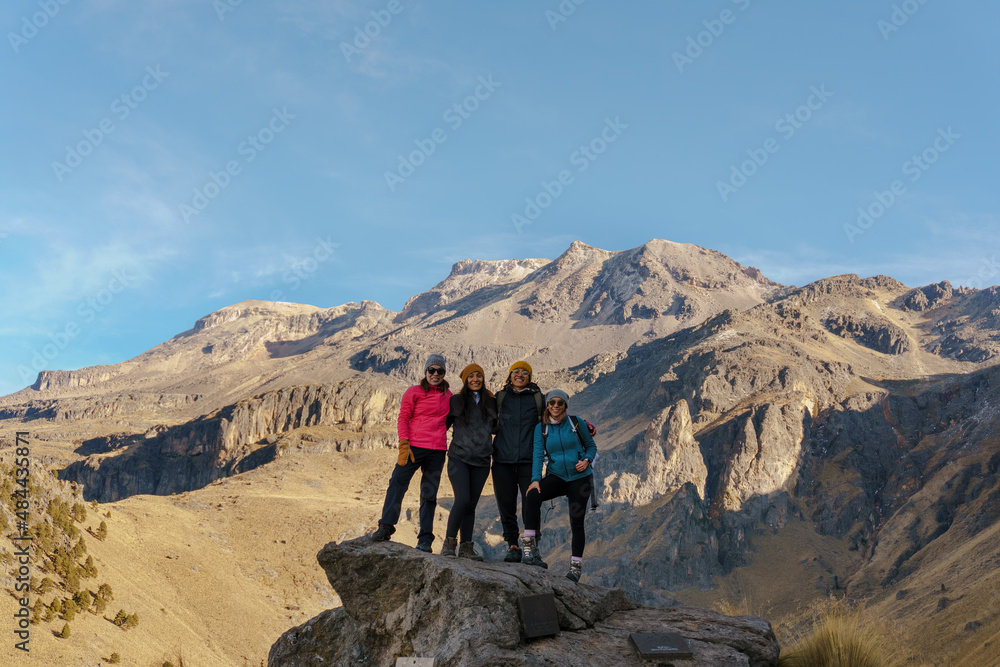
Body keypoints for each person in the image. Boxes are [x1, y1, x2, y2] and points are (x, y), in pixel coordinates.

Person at [491, 361, 596, 563]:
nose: (519, 375)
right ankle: (513, 545)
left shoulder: (538, 398)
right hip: (503, 458)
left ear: (530, 377)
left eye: (524, 372)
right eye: (516, 372)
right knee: (506, 505)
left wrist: (586, 426)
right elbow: (484, 416)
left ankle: (534, 550)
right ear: (509, 375)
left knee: (532, 500)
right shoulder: (500, 397)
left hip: (528, 459)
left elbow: (556, 414)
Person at [371, 354, 452, 552]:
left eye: (439, 371)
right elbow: (403, 417)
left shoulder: (449, 396)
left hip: (437, 451)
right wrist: (404, 444)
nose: (435, 374)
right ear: (425, 372)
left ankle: (425, 539)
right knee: (397, 484)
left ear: (444, 374)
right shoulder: (413, 392)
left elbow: (449, 420)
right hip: (414, 448)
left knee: (429, 494)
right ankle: (386, 526)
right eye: (431, 370)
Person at [521, 389, 597, 583]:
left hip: (580, 478)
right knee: (532, 496)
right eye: (552, 402)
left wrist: (587, 460)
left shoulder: (576, 422)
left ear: (565, 405)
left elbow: (591, 446)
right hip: (557, 476)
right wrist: (535, 479)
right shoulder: (542, 428)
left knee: (576, 522)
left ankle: (575, 568)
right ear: (547, 405)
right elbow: (538, 455)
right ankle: (529, 548)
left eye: (560, 403)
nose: (555, 406)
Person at [440, 364, 497, 560]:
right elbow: (441, 425)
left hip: (481, 461)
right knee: (462, 500)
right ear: (465, 380)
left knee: (471, 506)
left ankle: (466, 548)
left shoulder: (491, 402)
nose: (475, 379)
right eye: (471, 376)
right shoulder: (456, 401)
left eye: (478, 376)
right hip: (459, 458)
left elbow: (498, 427)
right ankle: (449, 543)